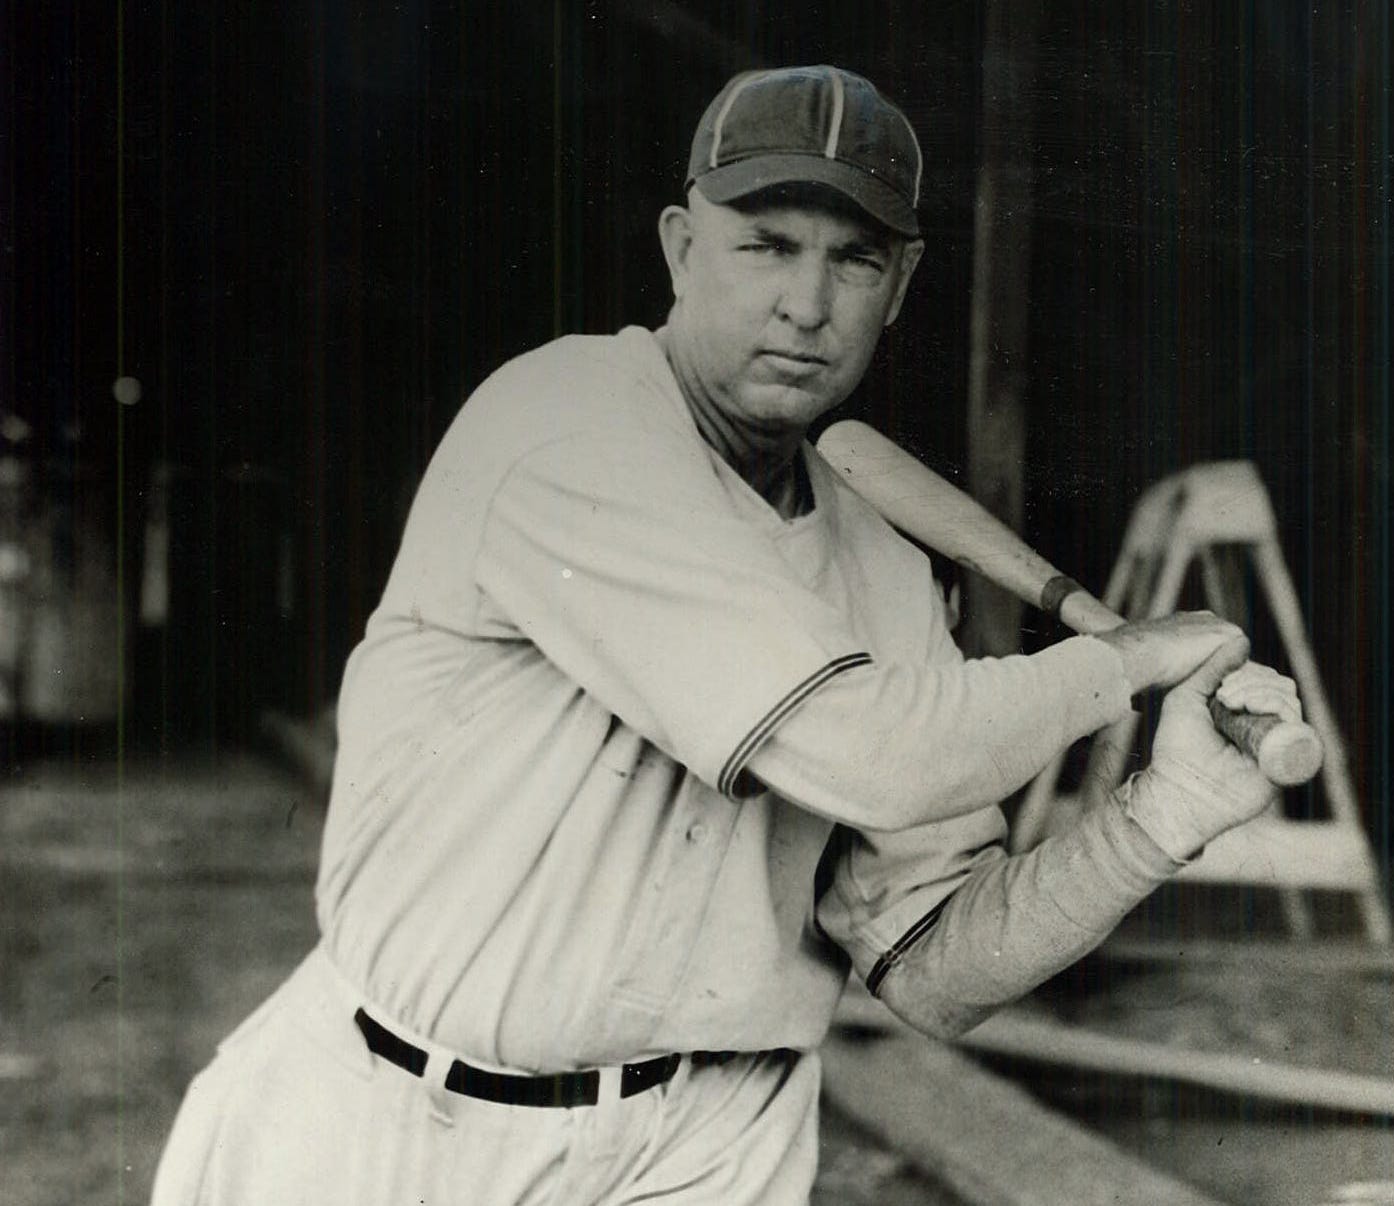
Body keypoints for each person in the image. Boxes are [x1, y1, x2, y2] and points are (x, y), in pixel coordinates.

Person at [151, 64, 1300, 1205]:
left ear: (899, 286)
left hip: (709, 1139)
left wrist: (1162, 817)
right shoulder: (562, 424)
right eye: (765, 244)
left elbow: (936, 970)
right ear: (678, 248)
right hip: (396, 1118)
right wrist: (1122, 661)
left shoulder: (886, 569)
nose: (806, 305)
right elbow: (874, 750)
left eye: (851, 259)